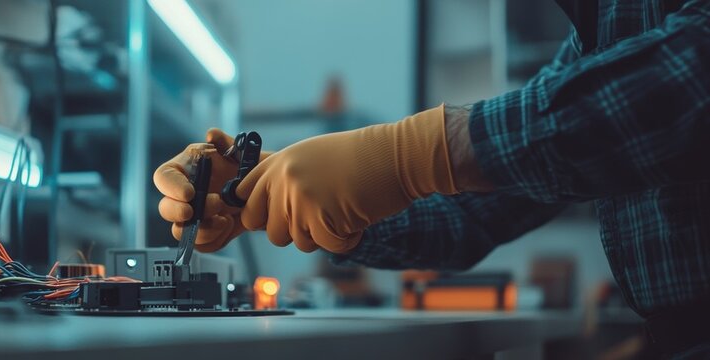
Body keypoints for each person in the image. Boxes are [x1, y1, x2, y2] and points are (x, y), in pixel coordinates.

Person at [154, 0, 709, 357]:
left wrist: (416, 152)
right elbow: (467, 215)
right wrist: (265, 188)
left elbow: (689, 77)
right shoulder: (599, 26)